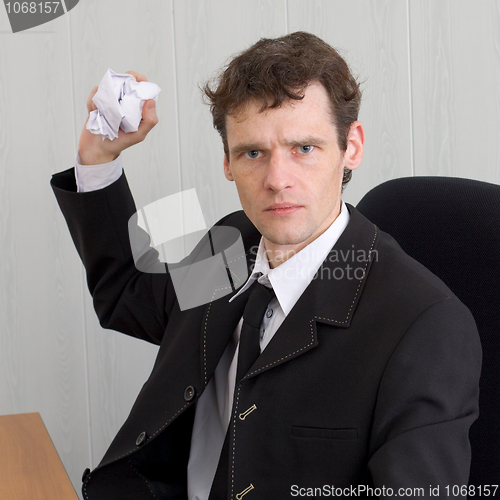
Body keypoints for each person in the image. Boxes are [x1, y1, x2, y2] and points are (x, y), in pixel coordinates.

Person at [51, 32, 481, 500]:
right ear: (228, 163)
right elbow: (125, 295)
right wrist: (97, 160)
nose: (277, 181)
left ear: (351, 147)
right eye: (253, 153)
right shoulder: (233, 245)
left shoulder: (424, 325)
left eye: (304, 148)